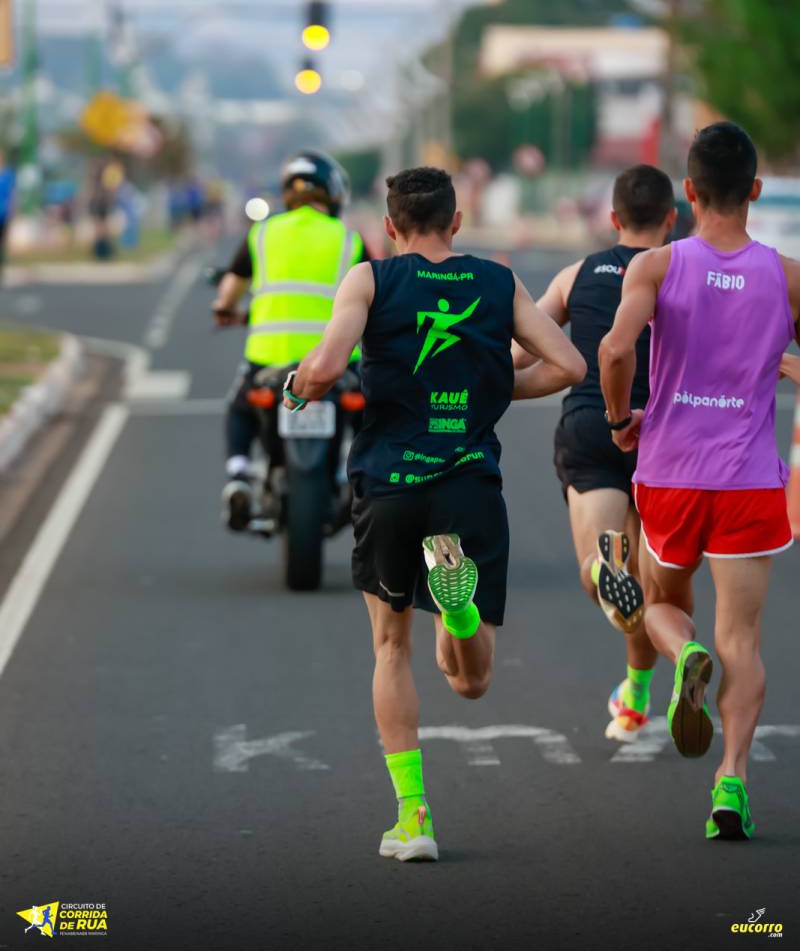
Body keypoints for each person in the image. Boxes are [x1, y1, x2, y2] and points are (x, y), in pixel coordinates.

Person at [284, 167, 585, 861]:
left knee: (392, 649)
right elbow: (570, 365)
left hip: (389, 486)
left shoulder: (370, 279)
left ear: (390, 227)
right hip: (467, 485)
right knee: (473, 682)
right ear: (456, 221)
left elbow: (326, 367)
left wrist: (298, 385)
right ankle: (460, 613)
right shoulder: (496, 281)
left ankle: (413, 816)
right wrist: (492, 391)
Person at [599, 121, 798, 840]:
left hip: (671, 474)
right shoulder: (787, 276)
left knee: (660, 604)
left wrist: (620, 418)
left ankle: (684, 654)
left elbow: (615, 348)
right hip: (748, 480)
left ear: (688, 191)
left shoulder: (656, 267)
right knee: (741, 639)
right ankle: (731, 783)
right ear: (755, 189)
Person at [514, 165, 676, 742]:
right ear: (671, 218)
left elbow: (521, 349)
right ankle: (638, 694)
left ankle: (600, 575)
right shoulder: (682, 271)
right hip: (665, 432)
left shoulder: (576, 274)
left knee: (606, 571)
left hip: (592, 425)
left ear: (612, 218)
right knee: (651, 588)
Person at [212, 152, 368, 529]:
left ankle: (238, 476)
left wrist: (225, 309)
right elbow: (377, 290)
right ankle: (368, 478)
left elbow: (229, 290)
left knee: (239, 407)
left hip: (269, 359)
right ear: (333, 193)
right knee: (371, 412)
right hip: (336, 361)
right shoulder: (348, 240)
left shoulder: (263, 234)